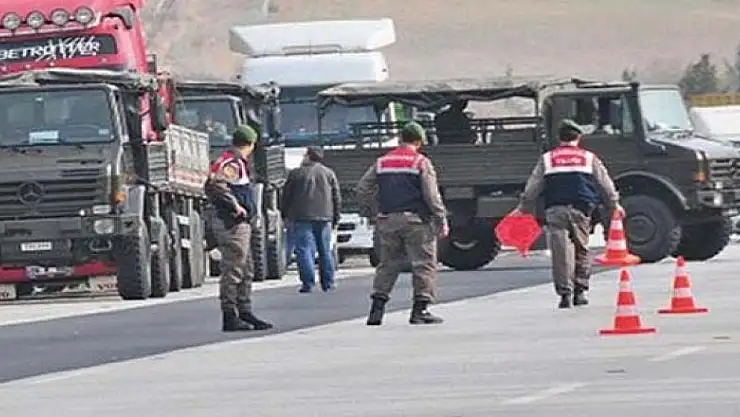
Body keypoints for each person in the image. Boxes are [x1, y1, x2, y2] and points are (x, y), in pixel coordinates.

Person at [514, 119, 625, 309]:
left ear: (559, 138)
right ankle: (580, 292)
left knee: (560, 252)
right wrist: (614, 205)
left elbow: (533, 187)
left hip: (555, 210)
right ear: (579, 137)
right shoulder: (589, 158)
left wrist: (523, 208)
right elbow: (605, 183)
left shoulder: (548, 159)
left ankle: (565, 294)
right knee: (582, 249)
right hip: (581, 210)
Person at [356, 121, 449, 326]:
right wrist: (441, 219)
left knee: (387, 264)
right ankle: (420, 310)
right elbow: (431, 196)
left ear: (400, 139)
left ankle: (376, 310)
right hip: (416, 222)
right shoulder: (420, 162)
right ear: (418, 141)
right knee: (424, 264)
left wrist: (374, 212)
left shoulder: (382, 162)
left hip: (387, 220)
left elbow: (363, 188)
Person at [204, 125, 273, 331]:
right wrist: (235, 206)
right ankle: (230, 314)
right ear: (250, 144)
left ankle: (244, 310)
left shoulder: (233, 161)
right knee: (234, 269)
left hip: (239, 224)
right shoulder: (232, 163)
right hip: (232, 223)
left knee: (246, 268)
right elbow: (216, 185)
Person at [281, 146, 341, 293]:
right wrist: (336, 217)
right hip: (325, 216)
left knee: (304, 250)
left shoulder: (296, 174)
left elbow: (286, 196)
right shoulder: (329, 173)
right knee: (325, 250)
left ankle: (308, 283)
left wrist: (285, 214)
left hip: (302, 216)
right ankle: (328, 282)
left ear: (309, 156)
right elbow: (336, 197)